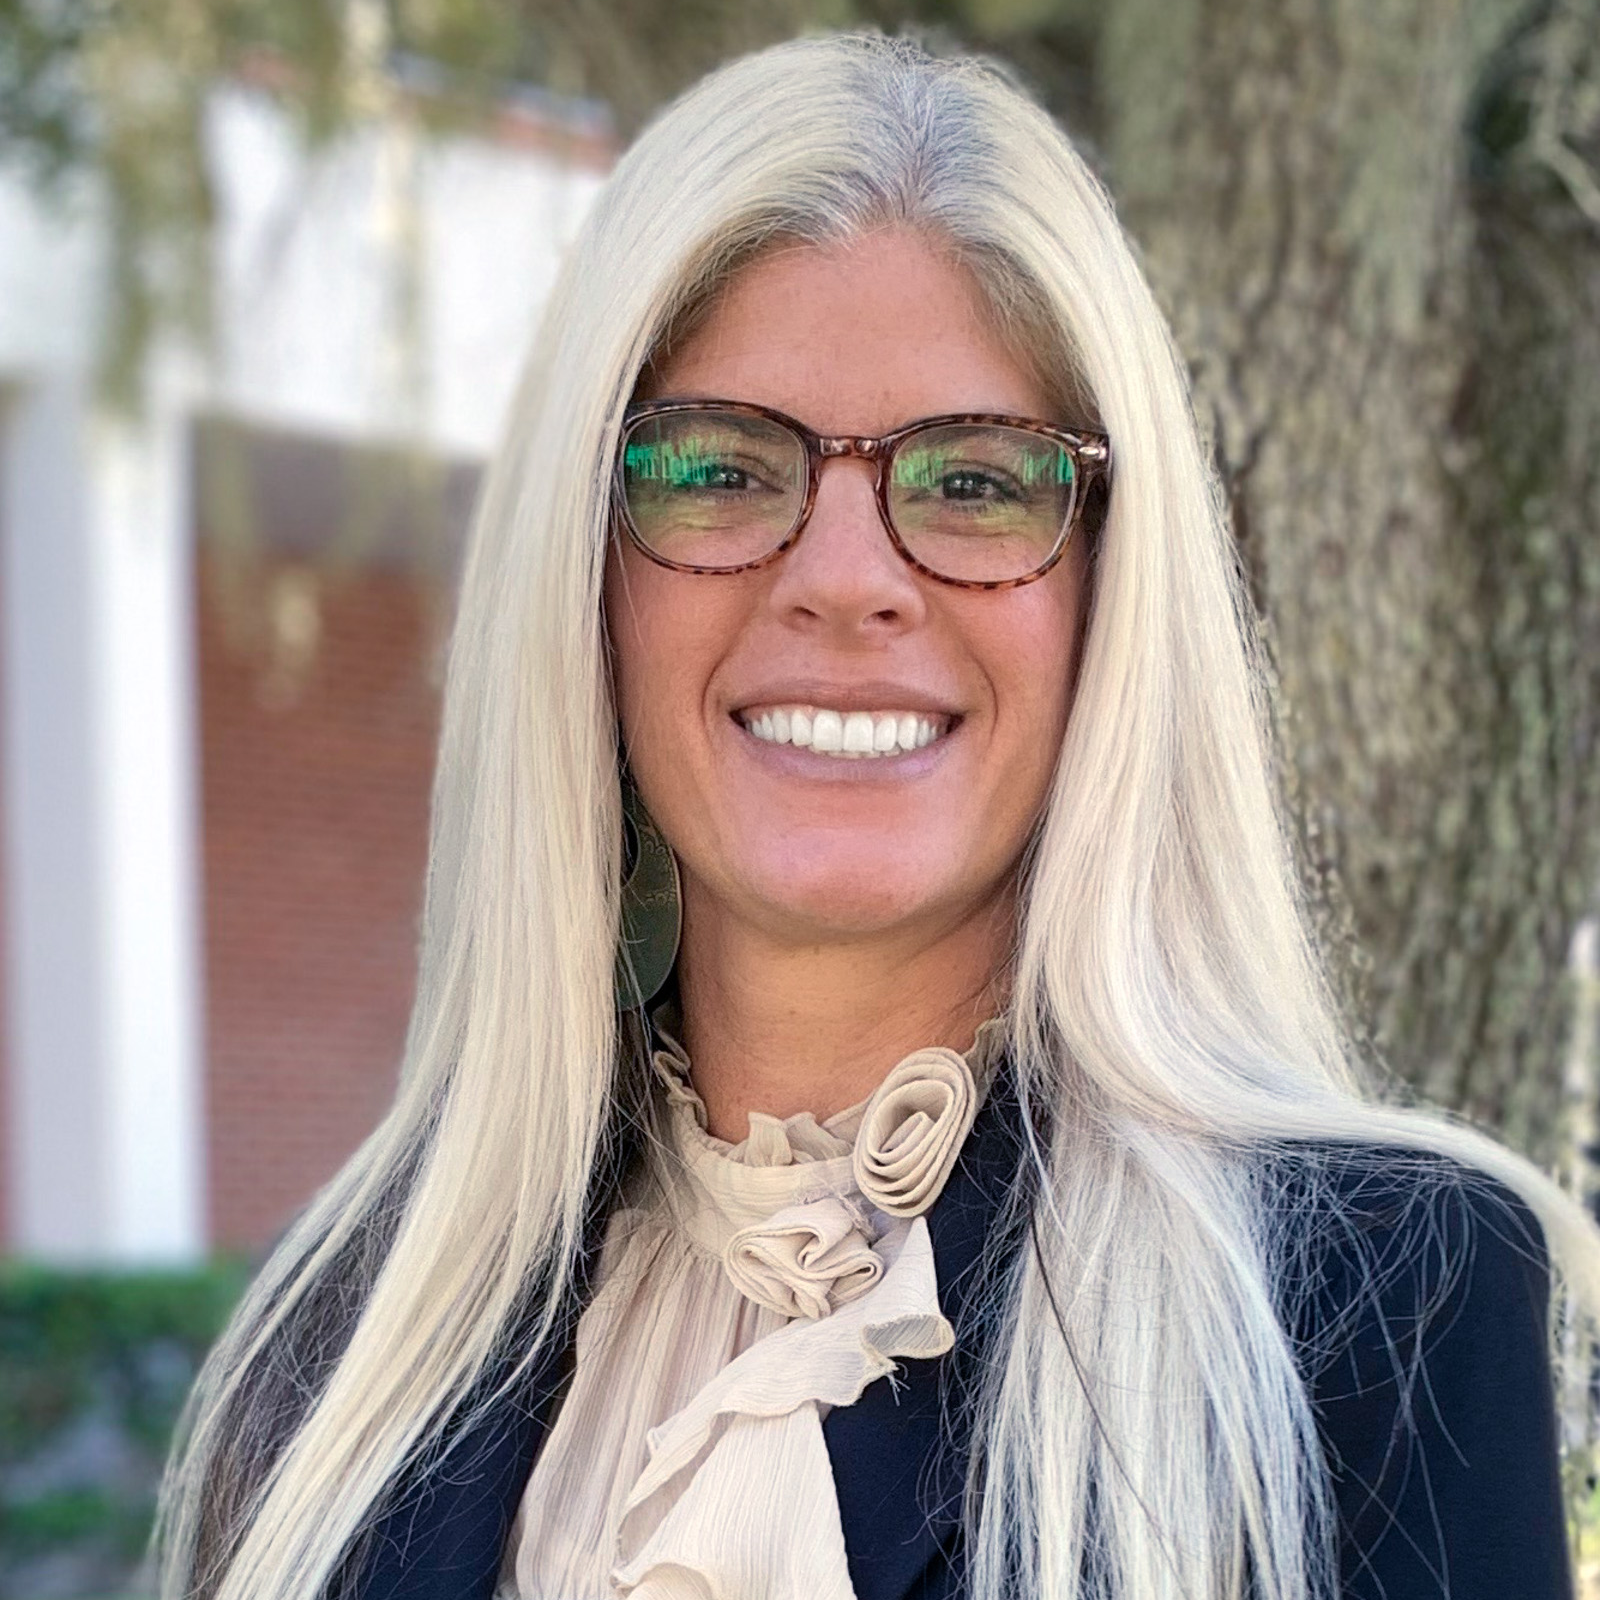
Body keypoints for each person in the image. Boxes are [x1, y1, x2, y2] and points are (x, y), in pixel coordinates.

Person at [155, 32, 1599, 1600]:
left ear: (1111, 596)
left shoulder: (1380, 1320)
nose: (846, 580)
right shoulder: (339, 1356)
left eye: (977, 483)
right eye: (716, 468)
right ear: (584, 582)